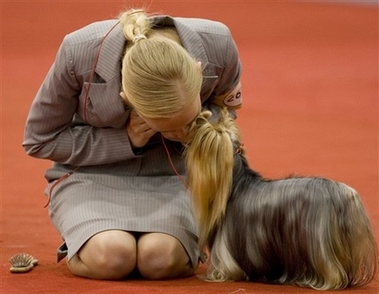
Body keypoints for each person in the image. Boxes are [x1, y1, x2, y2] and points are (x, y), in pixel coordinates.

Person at [23, 8, 243, 280]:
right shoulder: (78, 50)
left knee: (160, 259)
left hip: (179, 174)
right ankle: (83, 243)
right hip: (92, 174)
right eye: (168, 126)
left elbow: (227, 113)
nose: (180, 131)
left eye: (187, 119)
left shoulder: (217, 44)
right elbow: (40, 139)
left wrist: (199, 134)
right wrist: (124, 139)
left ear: (199, 72)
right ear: (127, 99)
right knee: (111, 257)